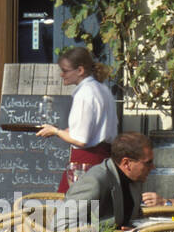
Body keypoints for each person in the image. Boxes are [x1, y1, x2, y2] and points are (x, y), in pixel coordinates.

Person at [37, 46, 117, 192]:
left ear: (80, 71)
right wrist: (69, 130)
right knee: (95, 210)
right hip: (104, 159)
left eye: (66, 71)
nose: (62, 75)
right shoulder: (102, 89)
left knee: (72, 209)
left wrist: (55, 131)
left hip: (86, 163)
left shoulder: (85, 94)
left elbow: (81, 139)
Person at [63, 132, 154, 230]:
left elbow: (133, 218)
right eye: (148, 163)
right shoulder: (95, 182)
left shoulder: (135, 179)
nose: (153, 167)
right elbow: (62, 224)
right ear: (126, 163)